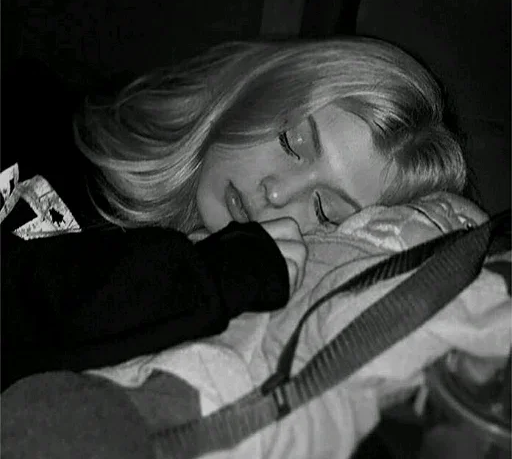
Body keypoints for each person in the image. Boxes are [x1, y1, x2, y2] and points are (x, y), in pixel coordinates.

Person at [1, 37, 466, 390]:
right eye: (292, 142)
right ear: (262, 88)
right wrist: (196, 278)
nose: (278, 193)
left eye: (324, 209)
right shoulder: (31, 110)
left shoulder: (227, 306)